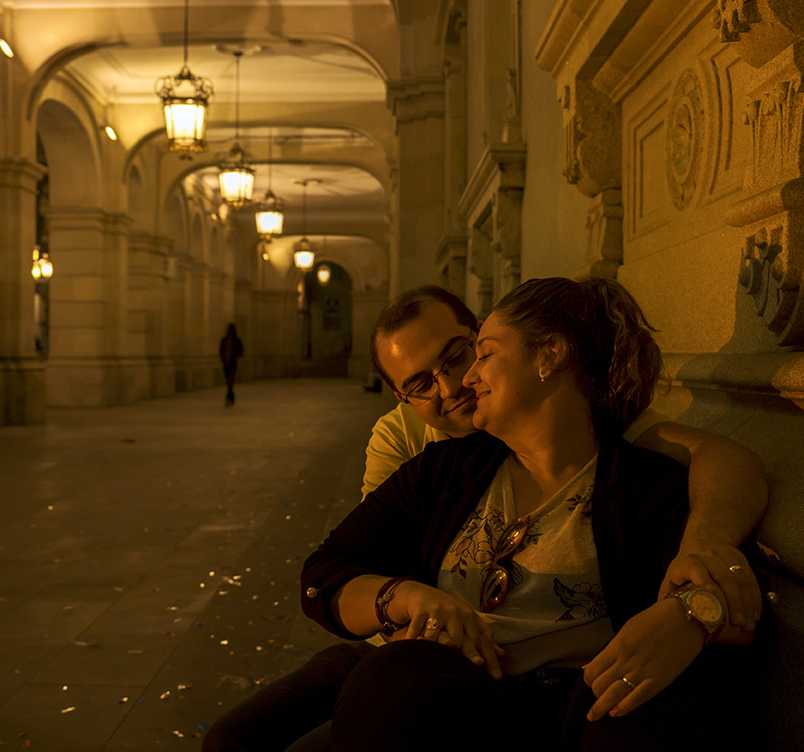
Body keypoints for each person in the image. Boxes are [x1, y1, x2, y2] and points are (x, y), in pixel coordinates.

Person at [202, 285, 767, 752]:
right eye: (420, 385)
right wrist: (407, 598)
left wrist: (692, 609)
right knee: (274, 723)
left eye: (470, 355)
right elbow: (331, 571)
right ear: (403, 398)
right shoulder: (437, 464)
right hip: (428, 673)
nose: (458, 384)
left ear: (548, 355)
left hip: (563, 697)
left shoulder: (634, 463)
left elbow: (719, 496)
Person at [220, 323, 244, 406]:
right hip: (225, 363)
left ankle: (228, 397)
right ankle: (231, 395)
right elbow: (221, 350)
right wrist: (222, 359)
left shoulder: (237, 340)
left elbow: (241, 351)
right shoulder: (224, 340)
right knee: (228, 381)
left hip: (233, 363)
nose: (228, 330)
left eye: (229, 328)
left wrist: (237, 357)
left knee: (230, 380)